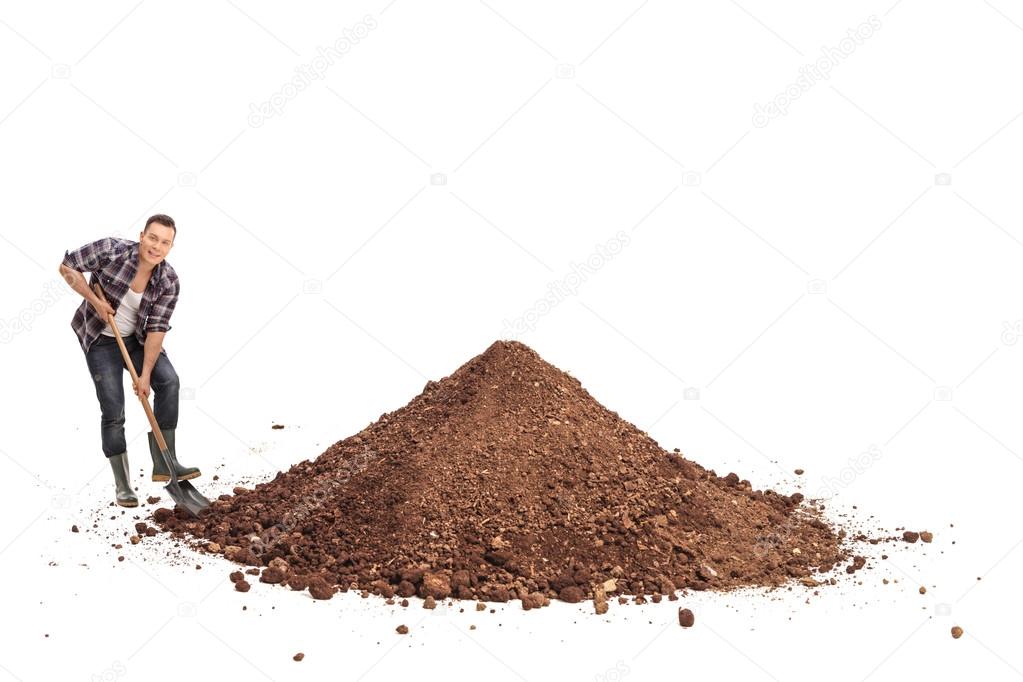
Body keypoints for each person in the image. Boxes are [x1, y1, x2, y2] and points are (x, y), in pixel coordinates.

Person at [59, 214, 200, 507]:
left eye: (165, 242)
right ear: (141, 236)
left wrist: (145, 374)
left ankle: (165, 462)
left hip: (137, 340)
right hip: (100, 337)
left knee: (169, 381)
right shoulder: (112, 250)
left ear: (170, 247)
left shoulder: (168, 280)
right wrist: (95, 301)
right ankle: (123, 485)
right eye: (153, 238)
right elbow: (67, 266)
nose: (156, 246)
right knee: (114, 408)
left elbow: (157, 330)